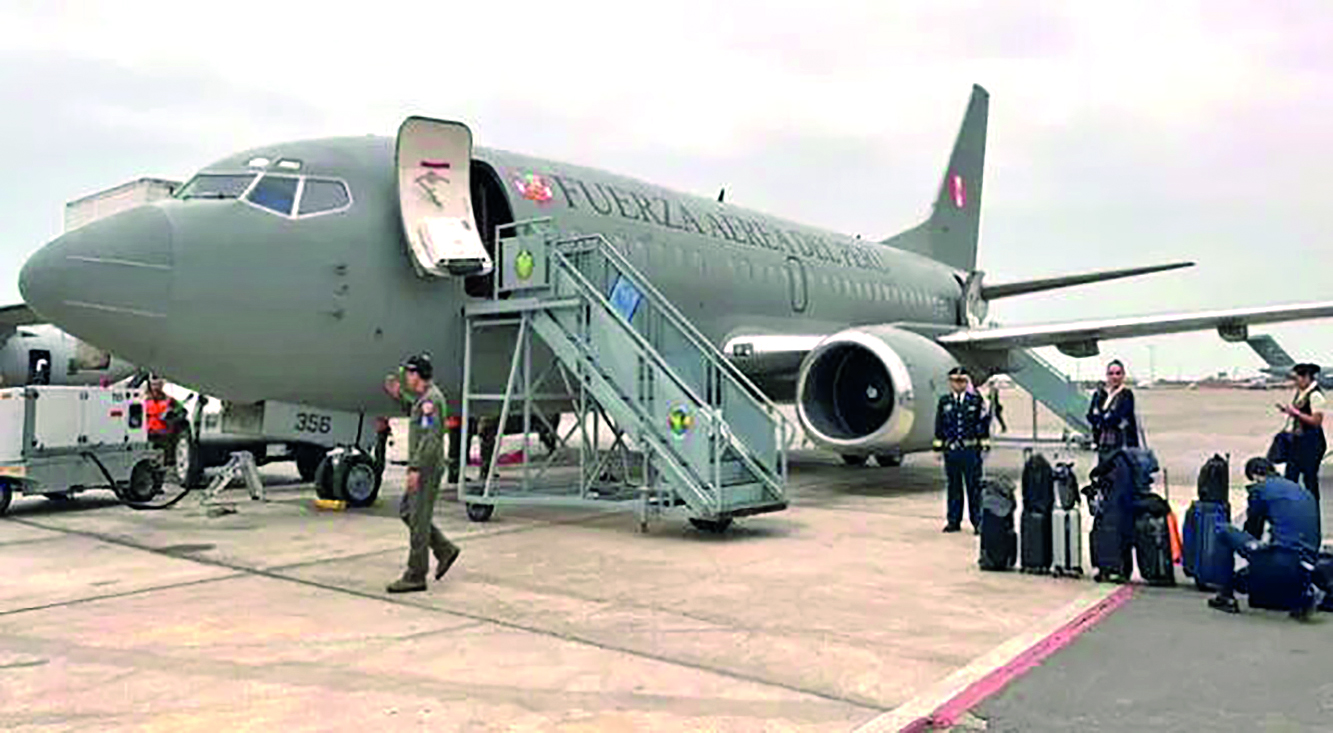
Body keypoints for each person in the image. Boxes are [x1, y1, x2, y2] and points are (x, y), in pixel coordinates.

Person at [1207, 457, 1330, 618]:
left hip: (1282, 559)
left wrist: (1250, 559)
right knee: (1284, 540)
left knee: (1222, 530)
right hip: (1308, 563)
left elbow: (1253, 529)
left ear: (1256, 475)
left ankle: (1226, 595)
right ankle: (1301, 594)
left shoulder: (1260, 489)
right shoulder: (1302, 491)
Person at [383, 354, 461, 593]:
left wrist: (416, 468)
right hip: (423, 464)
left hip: (426, 467)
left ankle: (415, 575)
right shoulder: (424, 400)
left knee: (418, 519)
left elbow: (430, 438)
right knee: (408, 512)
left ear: (417, 375)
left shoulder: (432, 401)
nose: (406, 376)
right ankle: (444, 549)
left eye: (409, 372)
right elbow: (418, 417)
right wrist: (399, 397)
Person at [934, 366, 990, 534]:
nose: (958, 384)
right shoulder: (945, 402)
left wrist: (984, 445)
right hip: (952, 450)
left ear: (966, 383)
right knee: (953, 487)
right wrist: (938, 447)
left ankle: (978, 521)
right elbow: (940, 424)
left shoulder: (975, 401)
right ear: (950, 383)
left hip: (970, 450)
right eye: (954, 381)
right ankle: (953, 521)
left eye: (961, 381)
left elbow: (982, 424)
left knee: (974, 488)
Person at [1276, 363, 1325, 507]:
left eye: (1297, 378)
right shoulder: (1301, 392)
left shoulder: (1315, 395)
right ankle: (1291, 508)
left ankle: (1312, 509)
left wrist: (1295, 413)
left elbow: (1316, 421)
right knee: (1291, 476)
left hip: (1311, 443)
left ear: (1306, 378)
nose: (1295, 382)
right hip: (1298, 441)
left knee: (1310, 478)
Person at [1087, 360, 1140, 464]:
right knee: (1104, 476)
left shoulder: (1126, 395)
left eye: (1118, 373)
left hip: (1121, 446)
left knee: (1120, 476)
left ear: (1123, 375)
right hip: (1103, 444)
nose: (1114, 377)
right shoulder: (1099, 395)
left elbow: (1117, 418)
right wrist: (1105, 418)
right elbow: (1090, 416)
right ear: (1106, 375)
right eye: (1111, 373)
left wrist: (1101, 419)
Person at [144, 376, 186, 468]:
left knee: (166, 462)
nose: (155, 387)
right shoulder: (142, 399)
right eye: (153, 384)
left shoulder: (170, 400)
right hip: (147, 436)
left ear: (162, 385)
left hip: (164, 435)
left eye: (158, 384)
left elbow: (182, 412)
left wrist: (171, 416)